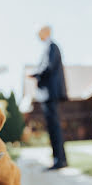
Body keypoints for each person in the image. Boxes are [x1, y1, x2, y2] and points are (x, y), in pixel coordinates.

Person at [30, 26, 68, 170]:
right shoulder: (49, 47)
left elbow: (48, 67)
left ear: (46, 33)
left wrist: (34, 74)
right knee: (54, 128)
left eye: (40, 34)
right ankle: (60, 159)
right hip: (49, 94)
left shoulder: (51, 46)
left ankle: (59, 161)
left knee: (54, 128)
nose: (38, 37)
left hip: (50, 94)